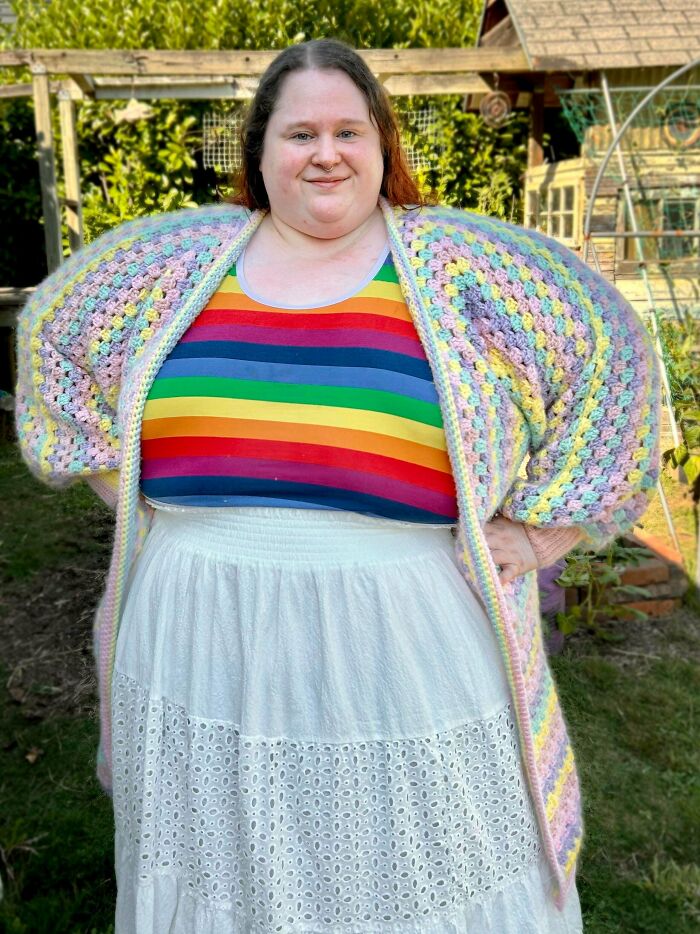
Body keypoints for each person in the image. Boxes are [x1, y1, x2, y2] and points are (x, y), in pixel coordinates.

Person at [15, 37, 660, 933]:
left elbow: (611, 349)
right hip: (198, 622)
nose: (326, 154)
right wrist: (120, 486)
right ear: (260, 152)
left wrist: (543, 533)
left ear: (381, 145)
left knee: (426, 860)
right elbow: (51, 329)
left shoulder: (462, 262)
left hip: (401, 625)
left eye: (348, 132)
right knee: (222, 865)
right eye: (300, 133)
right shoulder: (175, 261)